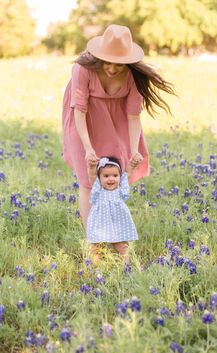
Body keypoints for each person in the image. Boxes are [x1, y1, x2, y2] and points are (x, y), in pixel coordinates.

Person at [62, 24, 174, 229]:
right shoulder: (82, 69)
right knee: (88, 182)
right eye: (107, 63)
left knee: (114, 178)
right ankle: (93, 240)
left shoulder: (133, 76)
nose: (112, 69)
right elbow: (79, 109)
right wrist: (88, 148)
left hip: (117, 121)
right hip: (83, 122)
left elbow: (133, 117)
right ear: (99, 57)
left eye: (119, 65)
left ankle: (112, 233)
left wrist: (133, 151)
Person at [87, 156, 137, 260]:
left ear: (120, 177)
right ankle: (96, 268)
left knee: (120, 244)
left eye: (115, 175)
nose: (111, 179)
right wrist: (91, 167)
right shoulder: (98, 190)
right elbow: (92, 176)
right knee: (96, 246)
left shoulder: (120, 190)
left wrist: (132, 165)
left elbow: (127, 175)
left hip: (117, 223)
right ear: (99, 178)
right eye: (106, 176)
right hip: (100, 223)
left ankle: (126, 265)